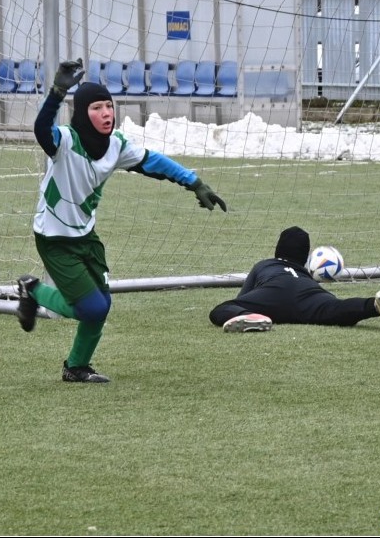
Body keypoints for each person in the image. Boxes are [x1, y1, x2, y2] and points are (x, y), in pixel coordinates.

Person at [17, 59, 228, 383]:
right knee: (92, 308)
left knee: (102, 303)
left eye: (108, 107)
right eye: (97, 108)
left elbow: (153, 162)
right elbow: (40, 129)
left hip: (85, 236)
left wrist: (194, 182)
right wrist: (58, 92)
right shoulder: (64, 142)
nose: (106, 114)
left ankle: (76, 366)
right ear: (82, 112)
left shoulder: (116, 146)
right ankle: (32, 290)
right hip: (54, 238)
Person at [208, 226, 380, 333]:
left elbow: (243, 296)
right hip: (308, 294)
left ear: (277, 249)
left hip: (271, 295)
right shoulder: (306, 275)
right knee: (337, 309)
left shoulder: (264, 265)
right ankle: (373, 305)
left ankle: (251, 318)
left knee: (223, 309)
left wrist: (243, 309)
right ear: (306, 257)